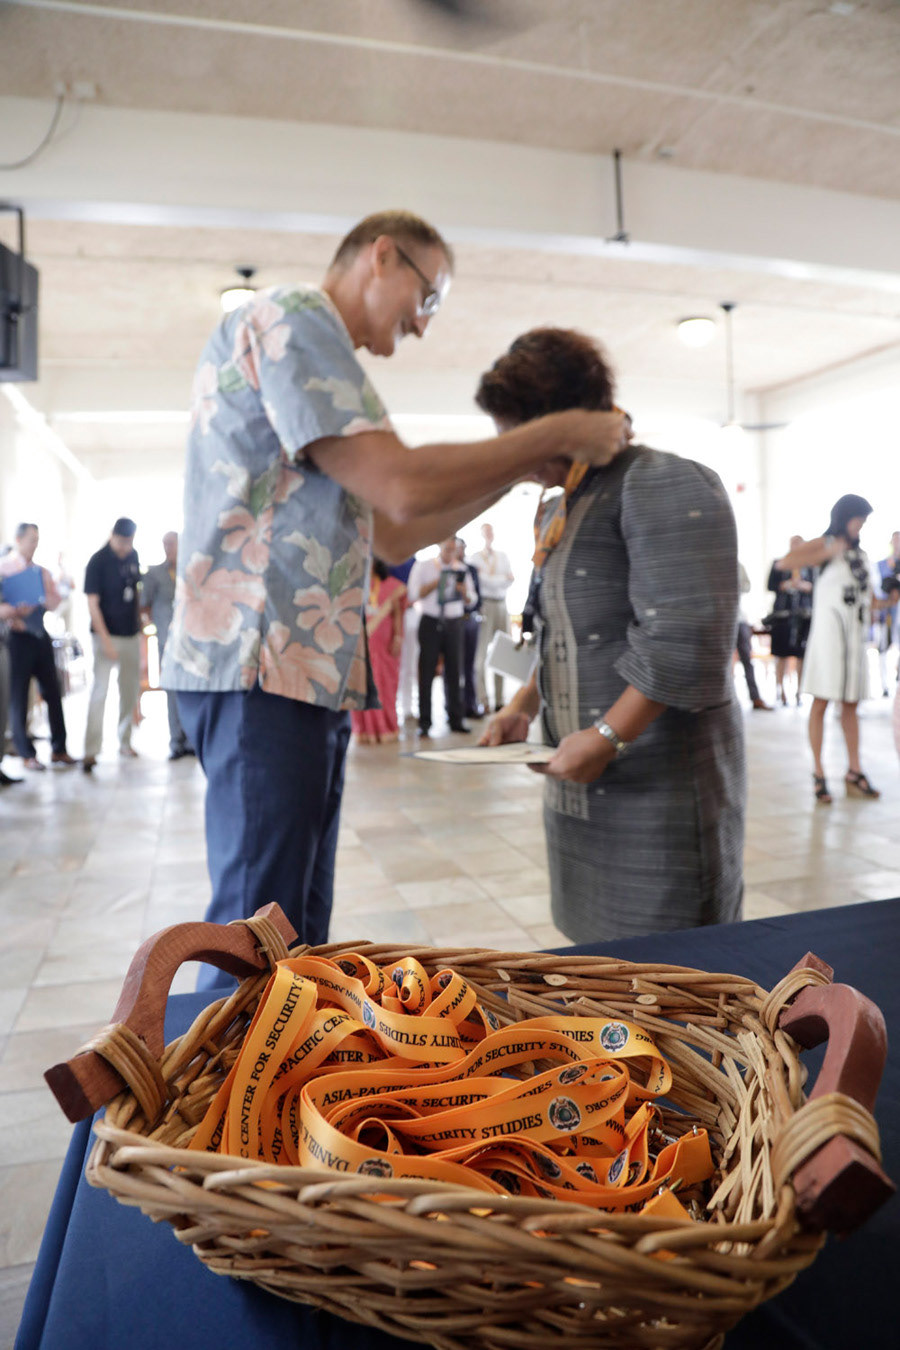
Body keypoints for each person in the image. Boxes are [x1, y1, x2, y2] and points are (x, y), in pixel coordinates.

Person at [160, 209, 625, 983]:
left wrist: (513, 471)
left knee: (294, 938)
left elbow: (391, 535)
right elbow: (403, 484)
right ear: (382, 255)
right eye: (428, 294)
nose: (422, 323)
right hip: (260, 664)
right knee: (253, 938)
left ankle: (273, 1093)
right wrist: (557, 433)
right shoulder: (295, 317)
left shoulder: (324, 368)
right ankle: (208, 1102)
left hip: (296, 673)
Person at [477, 327, 745, 944]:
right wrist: (523, 707)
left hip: (658, 783)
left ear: (562, 420)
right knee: (600, 957)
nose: (510, 454)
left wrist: (605, 736)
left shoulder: (662, 481)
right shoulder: (560, 503)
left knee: (674, 963)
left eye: (518, 434)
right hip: (584, 780)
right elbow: (559, 630)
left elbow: (685, 637)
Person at [778, 495, 879, 804]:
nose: (861, 524)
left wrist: (889, 597)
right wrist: (827, 547)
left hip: (854, 641)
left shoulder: (861, 556)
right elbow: (786, 561)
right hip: (828, 639)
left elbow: (872, 600)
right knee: (821, 702)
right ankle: (819, 773)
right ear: (846, 516)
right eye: (858, 517)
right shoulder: (827, 545)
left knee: (850, 705)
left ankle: (854, 770)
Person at [0, 523, 77, 770]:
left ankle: (59, 749)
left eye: (37, 540)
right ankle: (26, 753)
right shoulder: (5, 569)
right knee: (19, 696)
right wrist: (13, 610)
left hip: (39, 634)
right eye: (32, 539)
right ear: (19, 539)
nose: (35, 544)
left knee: (53, 692)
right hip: (17, 638)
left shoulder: (40, 572)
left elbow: (52, 603)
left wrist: (57, 589)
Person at [83, 518, 142, 773]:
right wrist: (106, 641)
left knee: (129, 691)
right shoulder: (97, 562)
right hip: (105, 636)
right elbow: (92, 604)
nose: (125, 547)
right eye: (122, 541)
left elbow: (135, 592)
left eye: (129, 542)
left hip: (130, 634)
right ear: (112, 536)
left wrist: (140, 625)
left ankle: (125, 741)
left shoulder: (133, 556)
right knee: (100, 692)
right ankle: (91, 750)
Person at [408, 536, 476, 737]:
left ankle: (456, 718)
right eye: (447, 549)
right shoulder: (424, 566)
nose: (450, 553)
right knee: (426, 671)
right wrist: (435, 583)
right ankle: (425, 721)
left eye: (454, 550)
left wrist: (464, 593)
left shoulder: (462, 570)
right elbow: (412, 595)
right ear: (440, 547)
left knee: (455, 671)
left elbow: (472, 600)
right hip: (430, 621)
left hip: (454, 623)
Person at [141, 531, 194, 760]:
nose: (168, 548)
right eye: (165, 544)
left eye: (172, 543)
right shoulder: (154, 574)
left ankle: (192, 739)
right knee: (171, 689)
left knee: (191, 690)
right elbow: (145, 605)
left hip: (191, 641)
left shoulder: (191, 570)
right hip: (167, 639)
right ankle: (177, 741)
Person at [350, 559, 406, 744]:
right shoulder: (354, 584)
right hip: (360, 644)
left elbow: (398, 613)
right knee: (360, 685)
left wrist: (398, 636)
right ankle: (364, 730)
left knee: (384, 686)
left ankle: (385, 727)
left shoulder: (391, 586)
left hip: (384, 644)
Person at [471, 521, 514, 714]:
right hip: (485, 606)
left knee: (502, 654)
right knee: (480, 657)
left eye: (491, 532)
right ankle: (483, 699)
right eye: (485, 532)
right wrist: (499, 580)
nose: (489, 535)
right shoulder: (475, 558)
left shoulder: (503, 556)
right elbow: (481, 582)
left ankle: (499, 700)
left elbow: (509, 580)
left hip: (502, 605)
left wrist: (492, 580)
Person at [766, 539, 814, 705]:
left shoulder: (810, 566)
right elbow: (771, 585)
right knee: (781, 654)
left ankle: (799, 692)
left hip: (804, 616)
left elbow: (816, 587)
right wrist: (786, 585)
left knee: (801, 655)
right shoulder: (779, 564)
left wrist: (803, 585)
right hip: (783, 616)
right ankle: (780, 690)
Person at [452, 535, 483, 719]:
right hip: (454, 621)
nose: (459, 552)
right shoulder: (445, 570)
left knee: (471, 666)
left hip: (470, 619)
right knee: (454, 667)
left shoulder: (470, 569)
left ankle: (471, 704)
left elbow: (477, 596)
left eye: (462, 548)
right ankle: (454, 707)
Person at [735, 563, 773, 711]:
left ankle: (755, 698)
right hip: (720, 620)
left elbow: (747, 586)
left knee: (747, 661)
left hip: (739, 620)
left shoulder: (738, 566)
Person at [873, 530, 900, 696]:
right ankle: (884, 684)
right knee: (883, 647)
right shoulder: (881, 565)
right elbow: (876, 589)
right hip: (886, 613)